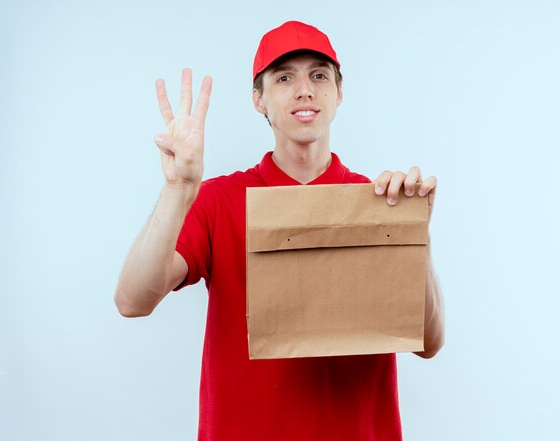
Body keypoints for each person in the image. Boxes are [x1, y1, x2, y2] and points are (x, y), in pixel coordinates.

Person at [115, 20, 444, 441]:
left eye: (319, 75)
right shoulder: (216, 200)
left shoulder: (379, 202)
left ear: (338, 95)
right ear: (259, 100)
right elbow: (131, 300)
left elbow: (429, 343)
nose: (304, 89)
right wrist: (178, 189)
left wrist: (416, 234)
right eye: (284, 77)